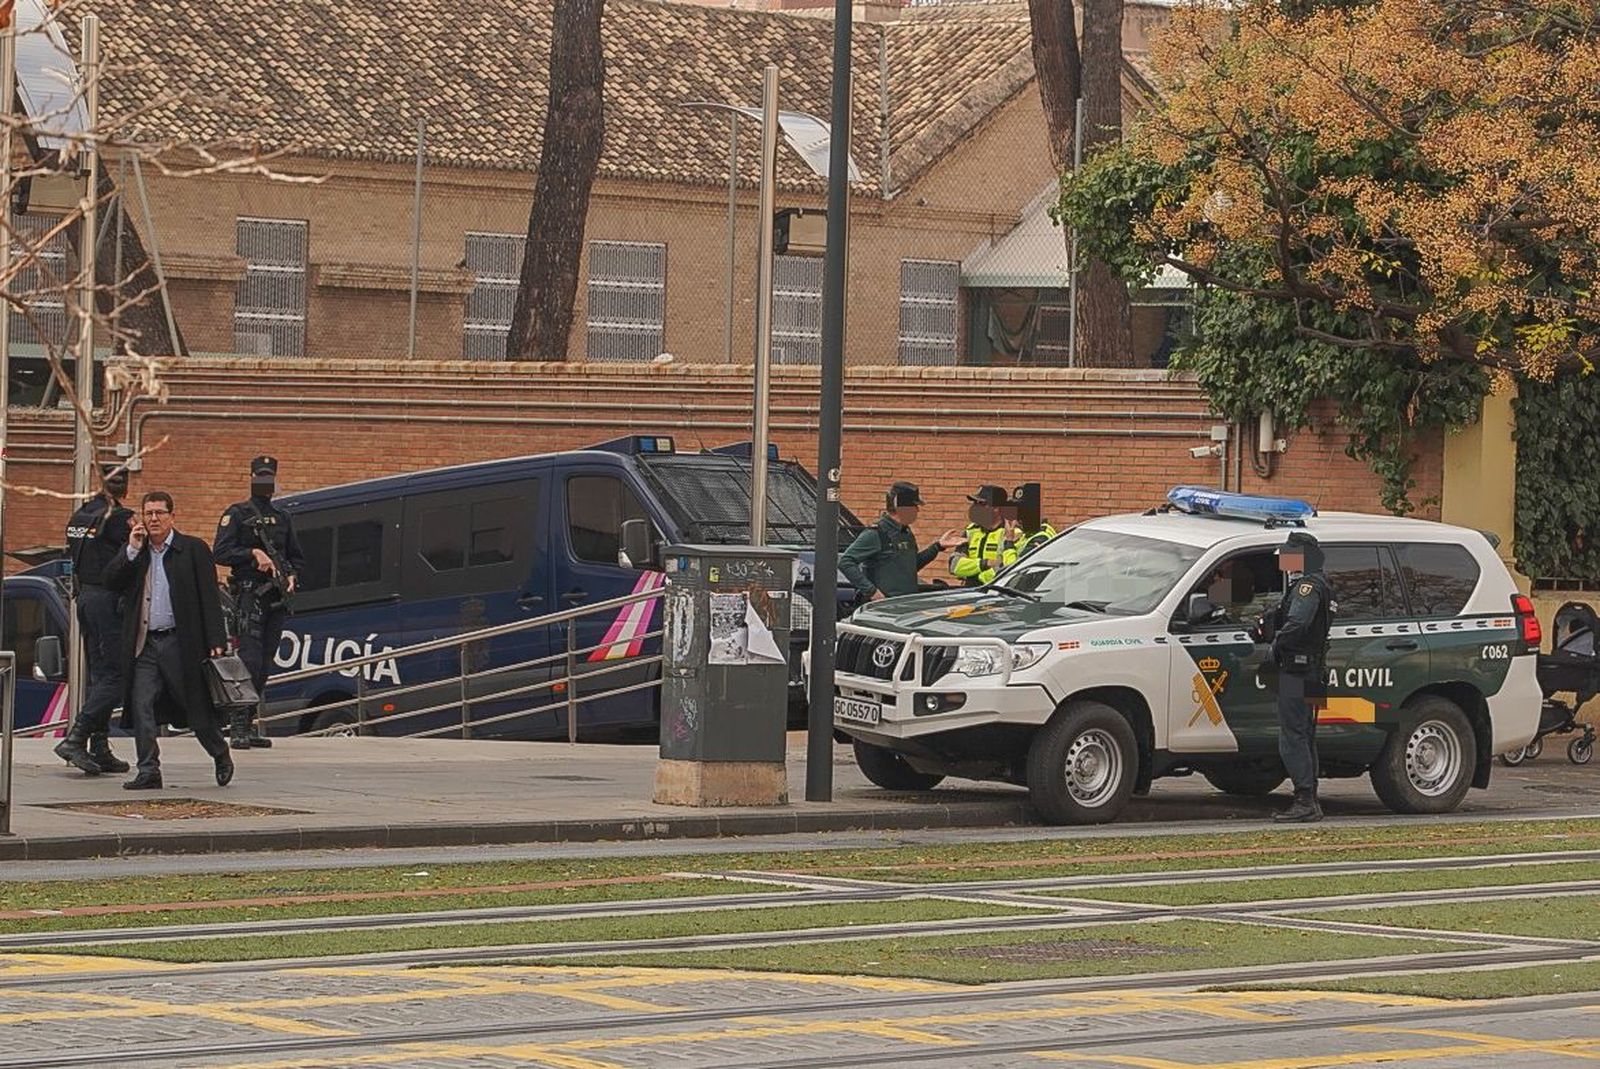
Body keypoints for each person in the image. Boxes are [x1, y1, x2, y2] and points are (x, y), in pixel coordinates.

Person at [103, 491, 233, 790]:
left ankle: (219, 752)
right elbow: (110, 581)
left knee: (194, 706)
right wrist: (131, 550)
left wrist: (216, 637)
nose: (153, 519)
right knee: (142, 705)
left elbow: (210, 597)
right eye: (148, 514)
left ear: (173, 517)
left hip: (181, 643)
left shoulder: (193, 549)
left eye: (160, 513)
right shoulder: (138, 552)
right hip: (145, 643)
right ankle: (148, 769)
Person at [214, 456, 304, 749]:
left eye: (269, 477)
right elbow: (221, 552)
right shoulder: (238, 514)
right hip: (250, 593)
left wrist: (290, 576)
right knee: (249, 660)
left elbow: (295, 557)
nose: (265, 483)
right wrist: (253, 554)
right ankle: (237, 724)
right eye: (260, 477)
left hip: (275, 597)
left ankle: (249, 721)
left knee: (265, 662)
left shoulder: (283, 517)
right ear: (252, 477)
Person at [54, 464, 134, 776]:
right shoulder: (118, 517)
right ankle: (76, 738)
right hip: (108, 600)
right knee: (116, 676)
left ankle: (99, 747)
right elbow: (134, 555)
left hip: (84, 598)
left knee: (101, 675)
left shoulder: (80, 515)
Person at [1251, 531, 1335, 823]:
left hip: (1297, 670)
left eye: (1289, 553)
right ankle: (1309, 798)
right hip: (1310, 668)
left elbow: (1299, 623)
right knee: (1304, 734)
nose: (1283, 559)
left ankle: (1305, 801)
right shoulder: (1315, 584)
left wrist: (1276, 646)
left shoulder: (1307, 588)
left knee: (1293, 736)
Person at [840, 482, 964, 602]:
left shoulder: (905, 533)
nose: (917, 511)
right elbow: (846, 562)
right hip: (883, 608)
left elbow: (912, 566)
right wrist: (871, 591)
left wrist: (938, 546)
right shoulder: (876, 533)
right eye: (914, 506)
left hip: (904, 603)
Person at [950, 485, 1021, 586]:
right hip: (969, 593)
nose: (975, 507)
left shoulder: (1012, 533)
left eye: (981, 503)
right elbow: (954, 565)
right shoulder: (970, 531)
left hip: (997, 594)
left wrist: (975, 576)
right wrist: (985, 563)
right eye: (974, 502)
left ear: (996, 508)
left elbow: (1008, 568)